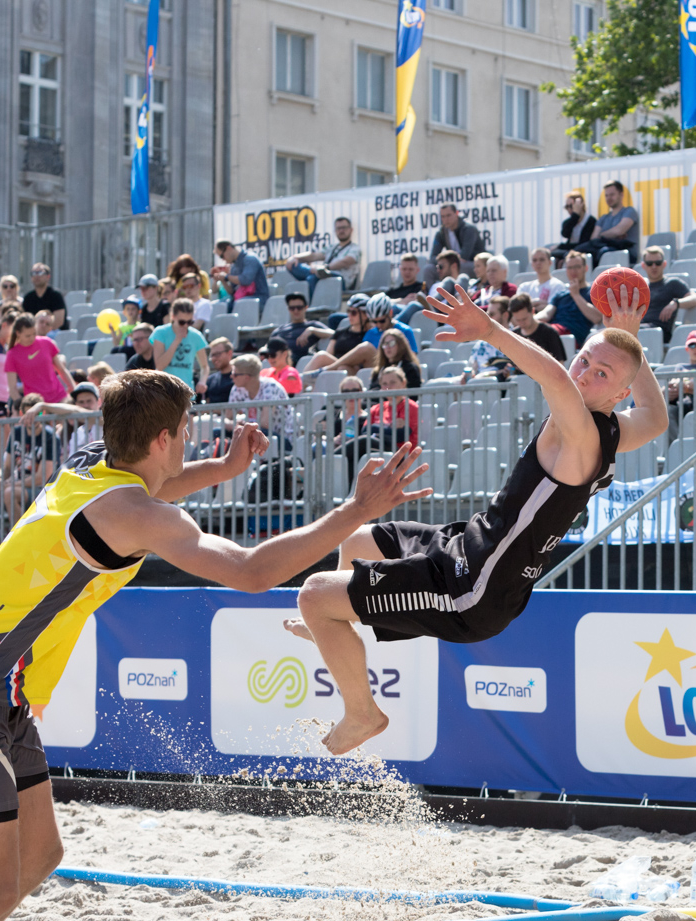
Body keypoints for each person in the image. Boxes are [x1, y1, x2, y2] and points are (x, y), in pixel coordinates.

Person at [0, 370, 431, 921]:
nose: (189, 442)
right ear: (163, 437)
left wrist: (224, 466)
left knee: (41, 858)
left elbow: (165, 480)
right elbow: (251, 571)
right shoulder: (133, 512)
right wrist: (356, 511)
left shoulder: (91, 463)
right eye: (187, 432)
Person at [284, 284, 666, 755]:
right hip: (468, 546)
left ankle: (363, 713)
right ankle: (336, 628)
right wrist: (630, 342)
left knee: (313, 594)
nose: (585, 374)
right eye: (585, 360)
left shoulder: (584, 434)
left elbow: (553, 376)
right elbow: (655, 417)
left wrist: (489, 329)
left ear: (619, 392)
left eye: (602, 373)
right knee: (359, 542)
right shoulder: (614, 426)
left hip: (472, 591)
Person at [0, 393, 62, 545]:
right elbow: (7, 467)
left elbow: (43, 476)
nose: (32, 418)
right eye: (27, 414)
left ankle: (20, 544)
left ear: (43, 413)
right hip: (17, 484)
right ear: (21, 414)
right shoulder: (17, 433)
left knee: (9, 493)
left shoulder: (50, 437)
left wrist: (7, 484)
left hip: (41, 490)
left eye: (37, 414)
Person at [5, 313, 75, 405]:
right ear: (18, 333)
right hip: (36, 405)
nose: (32, 338)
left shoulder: (47, 342)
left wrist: (73, 388)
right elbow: (12, 388)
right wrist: (21, 405)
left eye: (34, 333)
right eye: (27, 335)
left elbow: (61, 370)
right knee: (42, 419)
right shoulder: (12, 354)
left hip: (59, 397)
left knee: (64, 419)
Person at [227, 354, 298, 443]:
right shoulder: (236, 388)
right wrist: (234, 424)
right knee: (219, 432)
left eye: (235, 374)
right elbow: (226, 418)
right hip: (254, 432)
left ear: (246, 377)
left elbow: (265, 424)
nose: (231, 376)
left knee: (257, 434)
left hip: (281, 438)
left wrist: (243, 426)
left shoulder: (270, 387)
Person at [286, 217, 362, 296]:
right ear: (335, 231)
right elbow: (314, 255)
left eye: (344, 228)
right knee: (294, 266)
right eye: (338, 228)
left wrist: (325, 268)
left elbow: (346, 261)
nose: (341, 231)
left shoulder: (355, 248)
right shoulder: (332, 247)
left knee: (312, 278)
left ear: (351, 229)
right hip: (323, 275)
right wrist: (295, 257)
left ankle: (313, 306)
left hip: (340, 280)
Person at [148, 299, 210, 396]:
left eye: (190, 322)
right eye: (181, 322)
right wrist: (177, 340)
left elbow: (205, 366)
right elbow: (159, 365)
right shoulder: (160, 332)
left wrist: (202, 381)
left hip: (185, 391)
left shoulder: (196, 336)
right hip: (164, 391)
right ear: (173, 317)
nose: (185, 326)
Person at [539, 250, 601, 345]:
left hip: (573, 337)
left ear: (586, 268)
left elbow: (597, 318)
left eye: (577, 267)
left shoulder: (592, 292)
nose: (573, 271)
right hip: (553, 333)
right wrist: (529, 320)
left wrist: (576, 295)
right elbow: (546, 314)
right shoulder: (560, 294)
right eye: (570, 268)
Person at [640, 247, 696, 344]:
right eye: (650, 263)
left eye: (658, 263)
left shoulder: (672, 283)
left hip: (659, 332)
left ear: (664, 264)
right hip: (641, 329)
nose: (654, 266)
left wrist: (676, 303)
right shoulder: (641, 287)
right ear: (643, 265)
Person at [578, 181, 640, 265]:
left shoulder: (629, 211)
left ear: (621, 195)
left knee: (604, 252)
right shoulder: (603, 218)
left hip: (627, 254)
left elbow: (619, 230)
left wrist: (602, 235)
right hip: (605, 250)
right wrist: (611, 234)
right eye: (606, 195)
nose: (609, 198)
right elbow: (594, 238)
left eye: (612, 195)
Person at [365, 366, 417, 449]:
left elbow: (401, 435)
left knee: (364, 441)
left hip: (401, 453)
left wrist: (375, 428)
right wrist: (390, 429)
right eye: (384, 384)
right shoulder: (376, 408)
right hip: (375, 450)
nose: (388, 387)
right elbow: (364, 432)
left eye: (392, 382)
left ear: (403, 383)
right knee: (363, 441)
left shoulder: (411, 407)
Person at [508, 294, 566, 365]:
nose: (522, 323)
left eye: (524, 319)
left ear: (532, 311)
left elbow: (560, 364)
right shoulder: (514, 335)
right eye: (518, 320)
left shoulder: (549, 332)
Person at [429, 204, 486, 274]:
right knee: (429, 269)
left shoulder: (468, 229)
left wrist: (446, 262)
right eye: (443, 216)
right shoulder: (441, 233)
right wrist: (444, 262)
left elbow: (464, 257)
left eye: (448, 215)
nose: (446, 219)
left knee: (458, 266)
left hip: (473, 264)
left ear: (456, 213)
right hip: (453, 264)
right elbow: (433, 257)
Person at [552, 194, 596, 263]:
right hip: (568, 251)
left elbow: (583, 243)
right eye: (567, 207)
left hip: (582, 254)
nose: (569, 209)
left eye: (571, 206)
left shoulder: (591, 221)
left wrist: (560, 246)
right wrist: (575, 217)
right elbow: (565, 233)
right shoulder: (569, 222)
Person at [20, 263, 66, 329]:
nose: (36, 276)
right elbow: (25, 320)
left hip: (53, 334)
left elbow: (59, 321)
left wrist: (43, 333)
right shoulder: (28, 298)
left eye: (40, 273)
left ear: (48, 276)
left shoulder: (56, 296)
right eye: (33, 273)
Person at [201, 337, 236, 404]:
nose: (214, 358)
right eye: (212, 355)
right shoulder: (210, 380)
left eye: (217, 354)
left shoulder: (239, 378)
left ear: (229, 353)